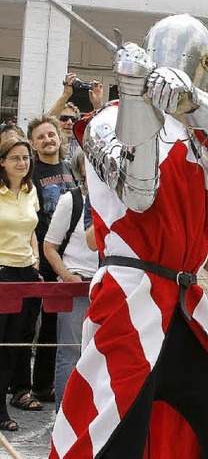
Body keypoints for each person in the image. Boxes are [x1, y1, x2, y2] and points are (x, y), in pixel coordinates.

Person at [50, 14, 208, 458]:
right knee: (114, 440)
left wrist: (191, 101)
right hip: (131, 299)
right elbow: (139, 194)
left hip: (184, 305)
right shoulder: (105, 122)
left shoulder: (195, 131)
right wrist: (132, 95)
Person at [22, 115, 76, 406]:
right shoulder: (31, 172)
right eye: (41, 137)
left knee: (59, 325)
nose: (47, 140)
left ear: (59, 137)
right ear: (33, 143)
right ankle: (29, 386)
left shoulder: (70, 170)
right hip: (41, 258)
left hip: (69, 258)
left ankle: (49, 385)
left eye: (51, 135)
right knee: (33, 325)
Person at [43, 150, 98, 413]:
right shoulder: (71, 200)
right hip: (77, 285)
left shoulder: (117, 201)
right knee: (70, 352)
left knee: (99, 353)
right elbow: (50, 245)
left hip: (107, 285)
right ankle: (65, 414)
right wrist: (67, 275)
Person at [0, 137, 41, 431]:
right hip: (1, 274)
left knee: (18, 344)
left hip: (26, 273)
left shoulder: (30, 191)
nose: (22, 163)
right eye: (15, 157)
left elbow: (31, 230)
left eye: (25, 158)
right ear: (2, 161)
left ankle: (11, 396)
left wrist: (36, 260)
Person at [48, 72, 104, 162]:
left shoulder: (83, 141)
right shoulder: (50, 141)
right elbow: (48, 123)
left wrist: (97, 105)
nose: (69, 122)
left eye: (74, 119)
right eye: (64, 118)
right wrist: (66, 95)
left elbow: (101, 132)